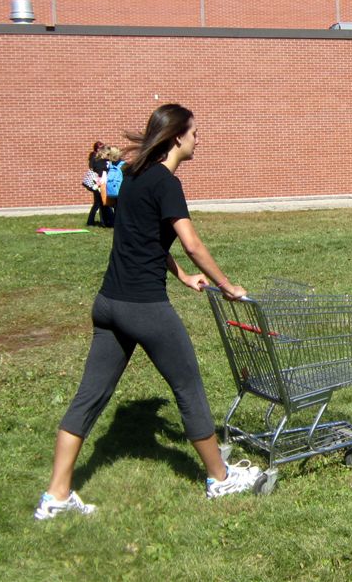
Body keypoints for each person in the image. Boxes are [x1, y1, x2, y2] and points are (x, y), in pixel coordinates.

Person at [35, 104, 262, 521]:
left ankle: (57, 495)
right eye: (194, 133)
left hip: (108, 304)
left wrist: (182, 277)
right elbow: (191, 243)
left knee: (89, 397)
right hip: (144, 308)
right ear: (177, 138)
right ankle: (220, 478)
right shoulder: (166, 183)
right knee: (189, 388)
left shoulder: (134, 175)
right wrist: (228, 286)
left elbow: (144, 239)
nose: (198, 140)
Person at [85, 142, 109, 227]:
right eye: (100, 148)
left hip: (99, 183)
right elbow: (94, 169)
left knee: (100, 203)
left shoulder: (101, 159)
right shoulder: (96, 158)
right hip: (98, 183)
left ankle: (100, 221)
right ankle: (92, 221)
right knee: (98, 203)